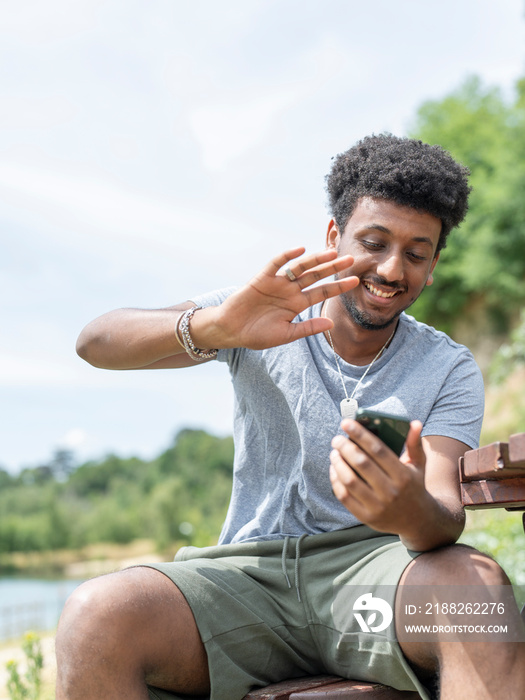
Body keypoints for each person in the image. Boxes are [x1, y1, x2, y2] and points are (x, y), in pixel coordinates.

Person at [56, 134, 525, 700]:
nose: (391, 269)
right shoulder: (257, 311)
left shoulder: (448, 367)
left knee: (476, 597)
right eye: (372, 242)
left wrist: (409, 510)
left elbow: (445, 517)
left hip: (376, 576)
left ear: (434, 263)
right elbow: (96, 342)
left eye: (417, 253)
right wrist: (216, 327)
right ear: (334, 236)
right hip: (247, 579)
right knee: (96, 616)